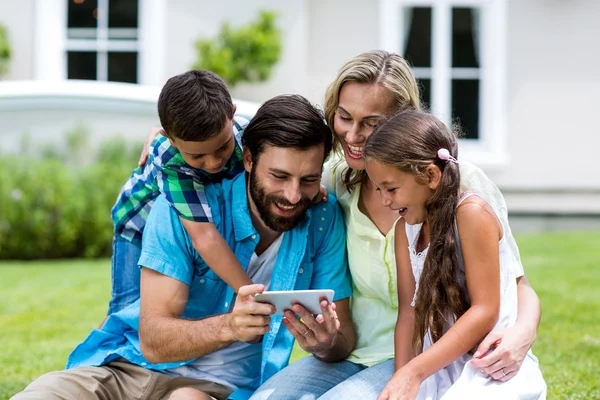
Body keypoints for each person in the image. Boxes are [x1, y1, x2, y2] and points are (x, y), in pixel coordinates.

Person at [13, 95, 356, 400]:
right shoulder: (186, 207)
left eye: (309, 179)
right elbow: (153, 339)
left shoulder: (323, 220)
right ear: (248, 159)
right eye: (279, 177)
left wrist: (325, 342)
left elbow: (343, 339)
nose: (294, 196)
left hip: (211, 391)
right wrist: (230, 326)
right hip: (125, 370)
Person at [251, 50, 541, 399]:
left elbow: (515, 285)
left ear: (403, 121)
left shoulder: (462, 189)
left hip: (424, 354)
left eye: (372, 123)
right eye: (344, 117)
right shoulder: (331, 185)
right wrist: (174, 146)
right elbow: (259, 154)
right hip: (354, 353)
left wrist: (523, 333)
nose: (353, 135)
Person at [364, 109, 546, 399]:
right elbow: (408, 315)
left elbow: (485, 311)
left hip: (488, 370)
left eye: (391, 188)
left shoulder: (472, 213)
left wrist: (414, 372)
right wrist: (401, 377)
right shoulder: (404, 231)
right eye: (379, 189)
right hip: (437, 369)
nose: (385, 200)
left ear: (431, 175)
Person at [108, 69, 252, 317]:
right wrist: (250, 293)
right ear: (170, 138)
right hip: (137, 227)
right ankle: (96, 355)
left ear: (232, 114)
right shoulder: (169, 158)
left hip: (179, 232)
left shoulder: (246, 135)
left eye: (223, 147)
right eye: (197, 156)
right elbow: (204, 237)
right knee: (126, 310)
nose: (213, 162)